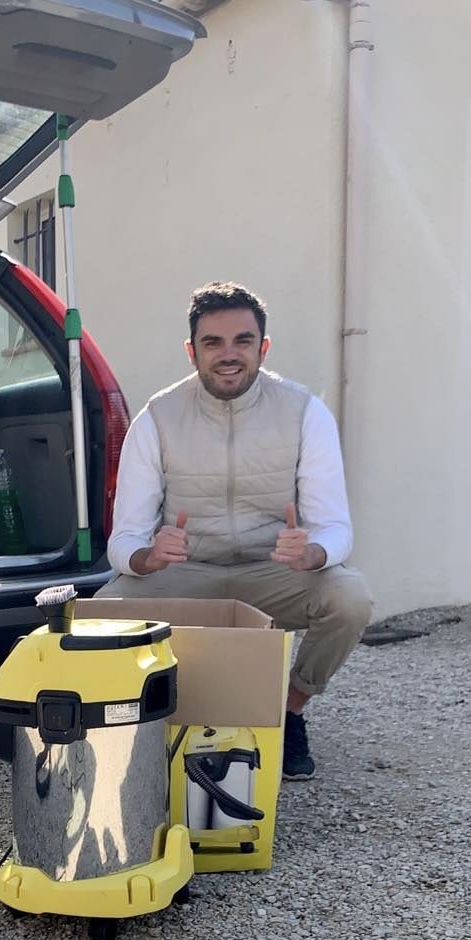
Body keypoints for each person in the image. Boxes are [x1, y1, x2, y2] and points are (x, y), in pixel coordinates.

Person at [96, 281, 373, 780]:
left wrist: (311, 554)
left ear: (263, 348)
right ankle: (139, 722)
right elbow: (125, 540)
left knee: (349, 599)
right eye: (213, 342)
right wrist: (148, 558)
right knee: (102, 614)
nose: (229, 355)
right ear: (191, 352)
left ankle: (286, 712)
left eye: (243, 341)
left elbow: (335, 529)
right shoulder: (157, 417)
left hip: (274, 572)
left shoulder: (304, 412)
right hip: (187, 571)